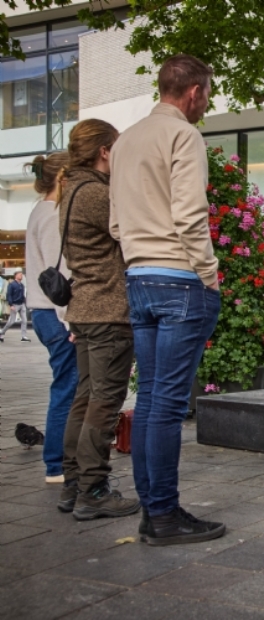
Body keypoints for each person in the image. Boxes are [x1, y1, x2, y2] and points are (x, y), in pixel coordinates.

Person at [110, 53, 224, 546]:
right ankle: (163, 515)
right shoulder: (184, 135)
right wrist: (210, 273)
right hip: (180, 278)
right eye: (207, 94)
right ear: (194, 91)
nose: (206, 103)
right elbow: (189, 214)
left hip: (138, 278)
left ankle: (153, 510)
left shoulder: (126, 140)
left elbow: (116, 223)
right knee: (169, 406)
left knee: (152, 398)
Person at [56, 120, 141, 521]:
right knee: (104, 403)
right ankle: (92, 488)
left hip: (85, 309)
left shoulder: (71, 189)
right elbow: (134, 229)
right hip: (108, 310)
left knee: (85, 398)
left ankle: (74, 484)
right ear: (105, 151)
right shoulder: (95, 192)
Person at [24, 152, 79, 484]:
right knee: (67, 388)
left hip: (45, 314)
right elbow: (57, 274)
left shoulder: (38, 211)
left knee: (67, 386)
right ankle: (56, 463)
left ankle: (59, 460)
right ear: (63, 178)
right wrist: (70, 319)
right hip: (55, 315)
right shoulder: (53, 214)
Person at [0, 271, 28, 342]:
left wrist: (25, 302)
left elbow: (23, 295)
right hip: (15, 304)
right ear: (15, 276)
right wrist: (11, 304)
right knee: (11, 321)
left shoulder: (22, 285)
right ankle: (2, 332)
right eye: (19, 275)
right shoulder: (12, 284)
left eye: (21, 275)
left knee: (24, 320)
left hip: (22, 304)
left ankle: (23, 336)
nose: (21, 276)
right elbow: (9, 295)